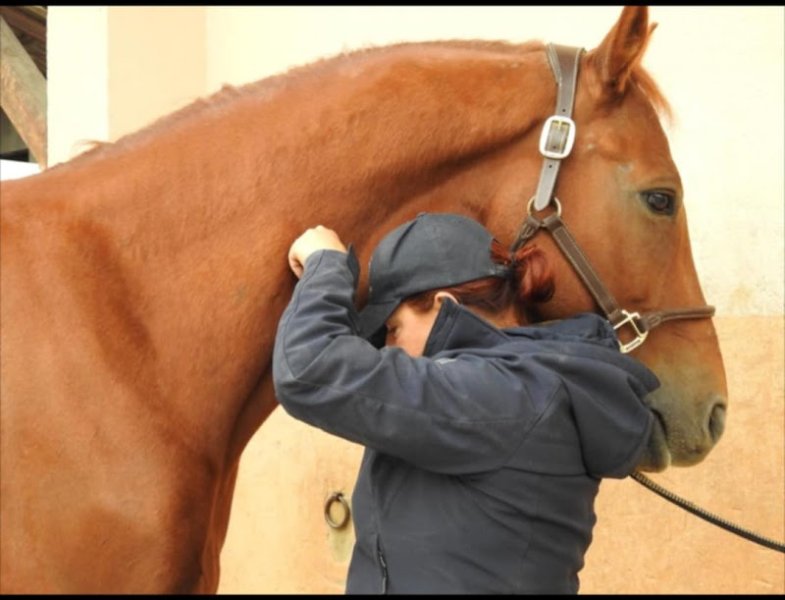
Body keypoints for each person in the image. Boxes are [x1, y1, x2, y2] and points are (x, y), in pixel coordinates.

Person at [272, 212, 658, 594]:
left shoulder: (500, 394)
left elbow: (308, 367)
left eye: (393, 329)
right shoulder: (525, 388)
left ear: (443, 305)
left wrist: (326, 265)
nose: (390, 347)